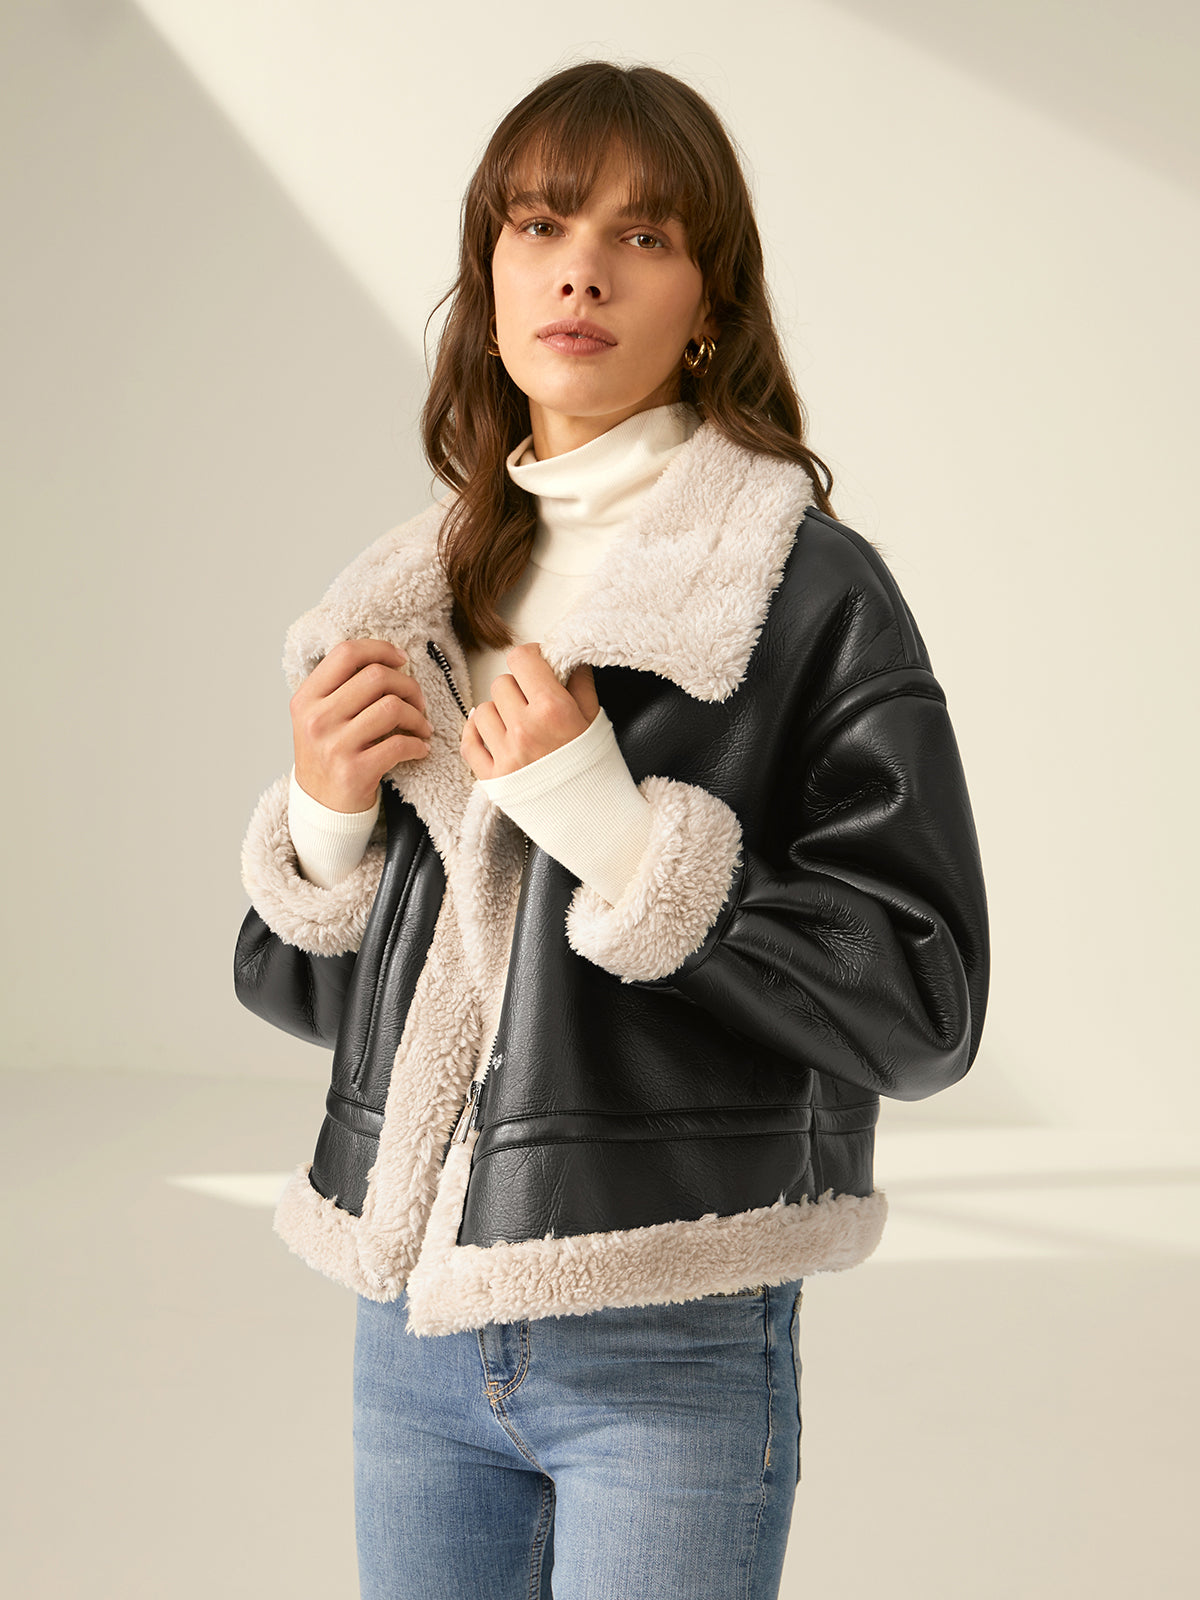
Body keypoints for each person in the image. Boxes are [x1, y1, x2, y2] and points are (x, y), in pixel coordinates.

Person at [235, 59, 989, 1600]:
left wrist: (617, 831)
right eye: (540, 225)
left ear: (710, 305)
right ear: (489, 281)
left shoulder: (802, 591)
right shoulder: (407, 600)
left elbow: (924, 1004)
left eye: (644, 236)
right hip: (411, 1328)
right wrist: (323, 825)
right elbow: (352, 1008)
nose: (580, 269)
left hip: (671, 1330)